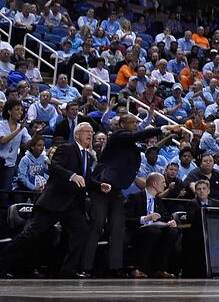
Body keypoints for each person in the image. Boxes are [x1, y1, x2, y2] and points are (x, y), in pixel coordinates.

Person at [82, 113, 181, 276]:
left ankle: (114, 268)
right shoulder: (117, 136)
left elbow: (142, 141)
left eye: (136, 122)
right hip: (102, 186)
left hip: (116, 190)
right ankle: (85, 267)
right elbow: (138, 135)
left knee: (118, 228)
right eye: (132, 122)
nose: (136, 125)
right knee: (96, 226)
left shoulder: (130, 144)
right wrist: (164, 128)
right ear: (122, 124)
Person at [0, 123, 94, 278]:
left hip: (71, 205)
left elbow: (86, 180)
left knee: (81, 232)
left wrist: (99, 185)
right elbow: (54, 167)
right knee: (31, 234)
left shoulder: (87, 156)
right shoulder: (66, 148)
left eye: (92, 131)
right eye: (87, 131)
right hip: (54, 202)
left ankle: (67, 271)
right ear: (77, 135)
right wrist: (71, 175)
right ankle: (3, 262)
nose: (90, 134)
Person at [127, 172, 181, 278]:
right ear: (155, 184)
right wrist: (146, 218)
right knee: (153, 231)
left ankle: (160, 268)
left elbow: (164, 216)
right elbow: (127, 219)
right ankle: (138, 268)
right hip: (136, 230)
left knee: (173, 232)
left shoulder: (158, 200)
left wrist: (170, 222)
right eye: (163, 182)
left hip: (155, 231)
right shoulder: (134, 197)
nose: (165, 185)